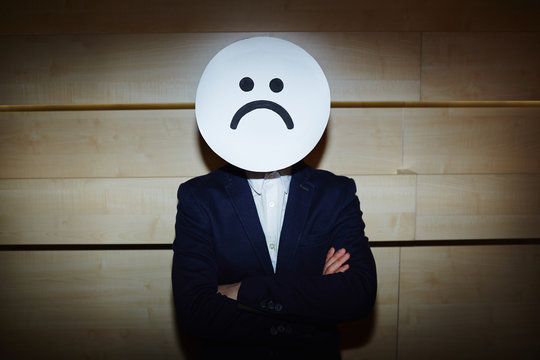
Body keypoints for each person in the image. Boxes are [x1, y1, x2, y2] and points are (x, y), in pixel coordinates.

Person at [171, 37, 377, 359]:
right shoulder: (198, 198)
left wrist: (241, 291)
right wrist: (308, 311)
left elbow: (357, 295)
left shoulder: (336, 193)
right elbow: (195, 311)